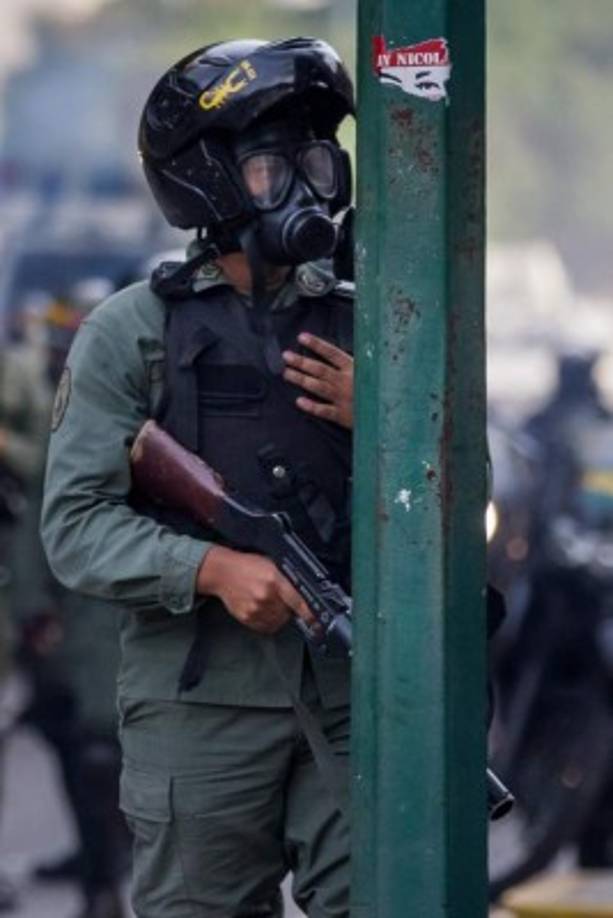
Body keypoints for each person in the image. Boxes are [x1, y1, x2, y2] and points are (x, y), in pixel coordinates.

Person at [42, 38, 356, 917]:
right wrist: (212, 571)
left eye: (318, 162)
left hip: (352, 701)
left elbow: (458, 491)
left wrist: (392, 415)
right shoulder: (131, 333)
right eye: (272, 168)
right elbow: (74, 526)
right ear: (208, 182)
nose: (305, 188)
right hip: (200, 710)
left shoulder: (369, 323)